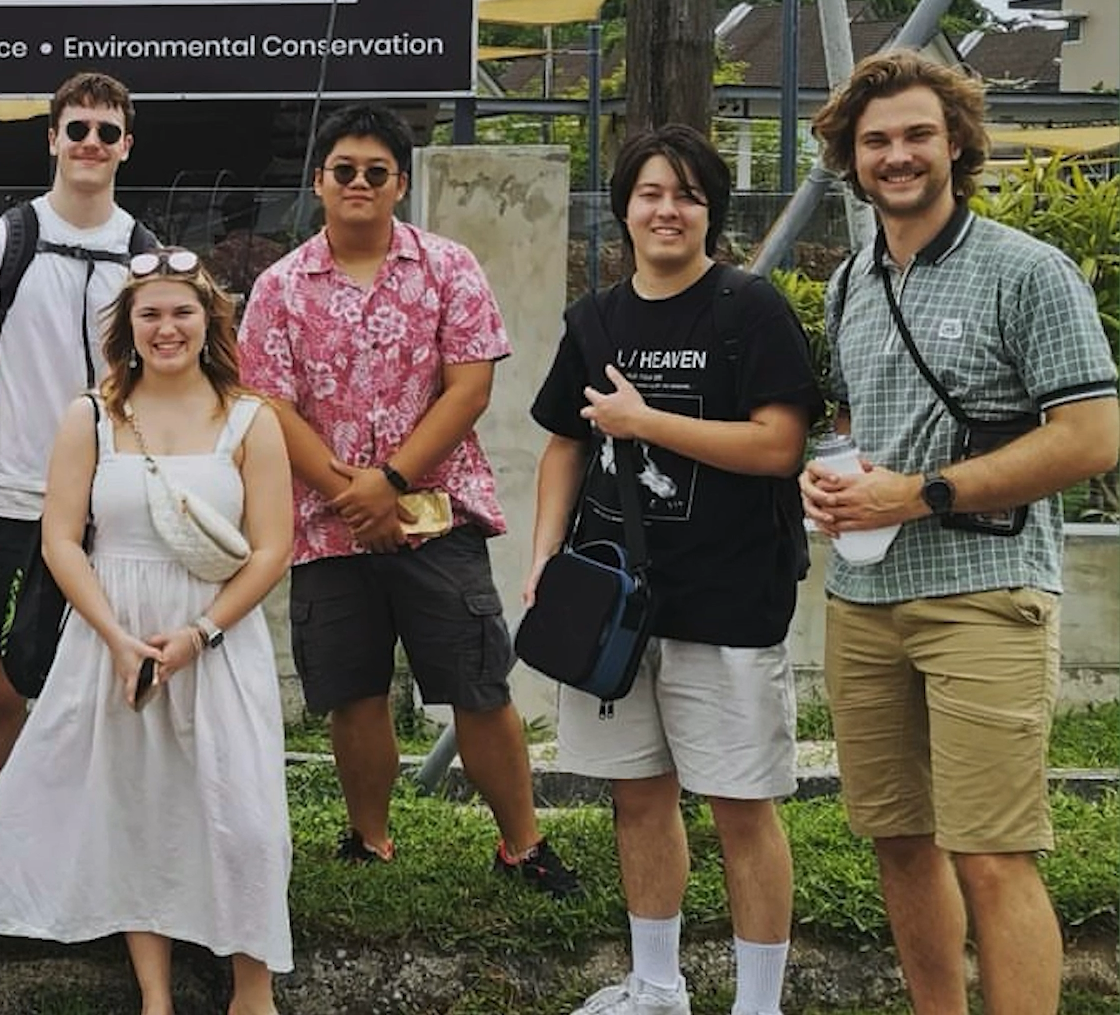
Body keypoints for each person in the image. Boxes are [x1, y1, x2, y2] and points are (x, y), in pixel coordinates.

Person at [800, 50, 1118, 1015]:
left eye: (916, 136)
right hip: (864, 601)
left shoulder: (1029, 271)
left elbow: (1093, 436)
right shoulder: (852, 281)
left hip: (985, 591)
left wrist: (921, 493)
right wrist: (837, 469)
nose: (897, 156)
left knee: (992, 852)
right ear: (851, 160)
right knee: (897, 840)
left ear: (957, 145)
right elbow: (861, 421)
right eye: (876, 141)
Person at [235, 103, 578, 893]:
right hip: (326, 525)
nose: (359, 183)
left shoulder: (447, 268)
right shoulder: (279, 289)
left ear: (400, 185)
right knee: (351, 692)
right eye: (344, 171)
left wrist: (387, 484)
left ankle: (522, 844)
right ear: (319, 183)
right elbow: (269, 405)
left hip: (437, 516)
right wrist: (349, 494)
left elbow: (470, 385)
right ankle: (370, 838)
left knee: (478, 685)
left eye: (375, 173)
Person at [0, 246, 294, 1015]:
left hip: (215, 635)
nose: (166, 328)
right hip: (115, 630)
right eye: (150, 315)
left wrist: (199, 633)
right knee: (138, 806)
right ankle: (154, 994)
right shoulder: (92, 415)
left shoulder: (252, 419)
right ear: (127, 327)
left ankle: (252, 987)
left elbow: (273, 547)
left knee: (246, 814)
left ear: (209, 321)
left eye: (181, 312)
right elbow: (62, 539)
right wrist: (116, 637)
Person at [526, 126, 822, 1015]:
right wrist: (544, 556)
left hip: (729, 603)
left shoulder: (749, 310)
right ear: (624, 208)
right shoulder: (597, 319)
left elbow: (779, 446)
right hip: (615, 607)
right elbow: (564, 445)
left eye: (688, 195)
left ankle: (758, 1003)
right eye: (651, 192)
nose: (668, 209)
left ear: (711, 213)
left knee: (741, 807)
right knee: (638, 797)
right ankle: (656, 985)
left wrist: (646, 421)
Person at [0, 70, 150, 811]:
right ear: (52, 138)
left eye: (107, 132)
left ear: (127, 146)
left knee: (105, 689)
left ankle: (83, 848)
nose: (91, 143)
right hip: (12, 499)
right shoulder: (4, 242)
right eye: (78, 129)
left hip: (114, 507)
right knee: (1, 688)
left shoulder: (145, 257)